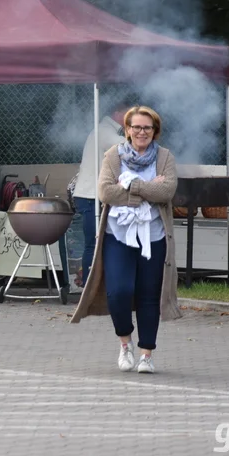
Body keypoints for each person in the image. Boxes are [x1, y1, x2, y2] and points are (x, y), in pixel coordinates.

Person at [71, 105, 181, 374]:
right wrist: (146, 189)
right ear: (128, 130)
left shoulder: (165, 157)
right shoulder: (113, 155)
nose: (141, 132)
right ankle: (125, 343)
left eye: (147, 127)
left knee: (148, 294)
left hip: (153, 237)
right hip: (117, 235)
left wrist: (131, 184)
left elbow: (167, 191)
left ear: (155, 131)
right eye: (136, 127)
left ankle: (146, 354)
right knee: (118, 292)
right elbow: (106, 192)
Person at [72, 100, 128, 288]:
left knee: (98, 242)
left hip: (92, 194)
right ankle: (89, 287)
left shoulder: (104, 130)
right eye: (129, 114)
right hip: (89, 196)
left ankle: (94, 283)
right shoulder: (105, 131)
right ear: (118, 113)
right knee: (92, 244)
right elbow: (128, 149)